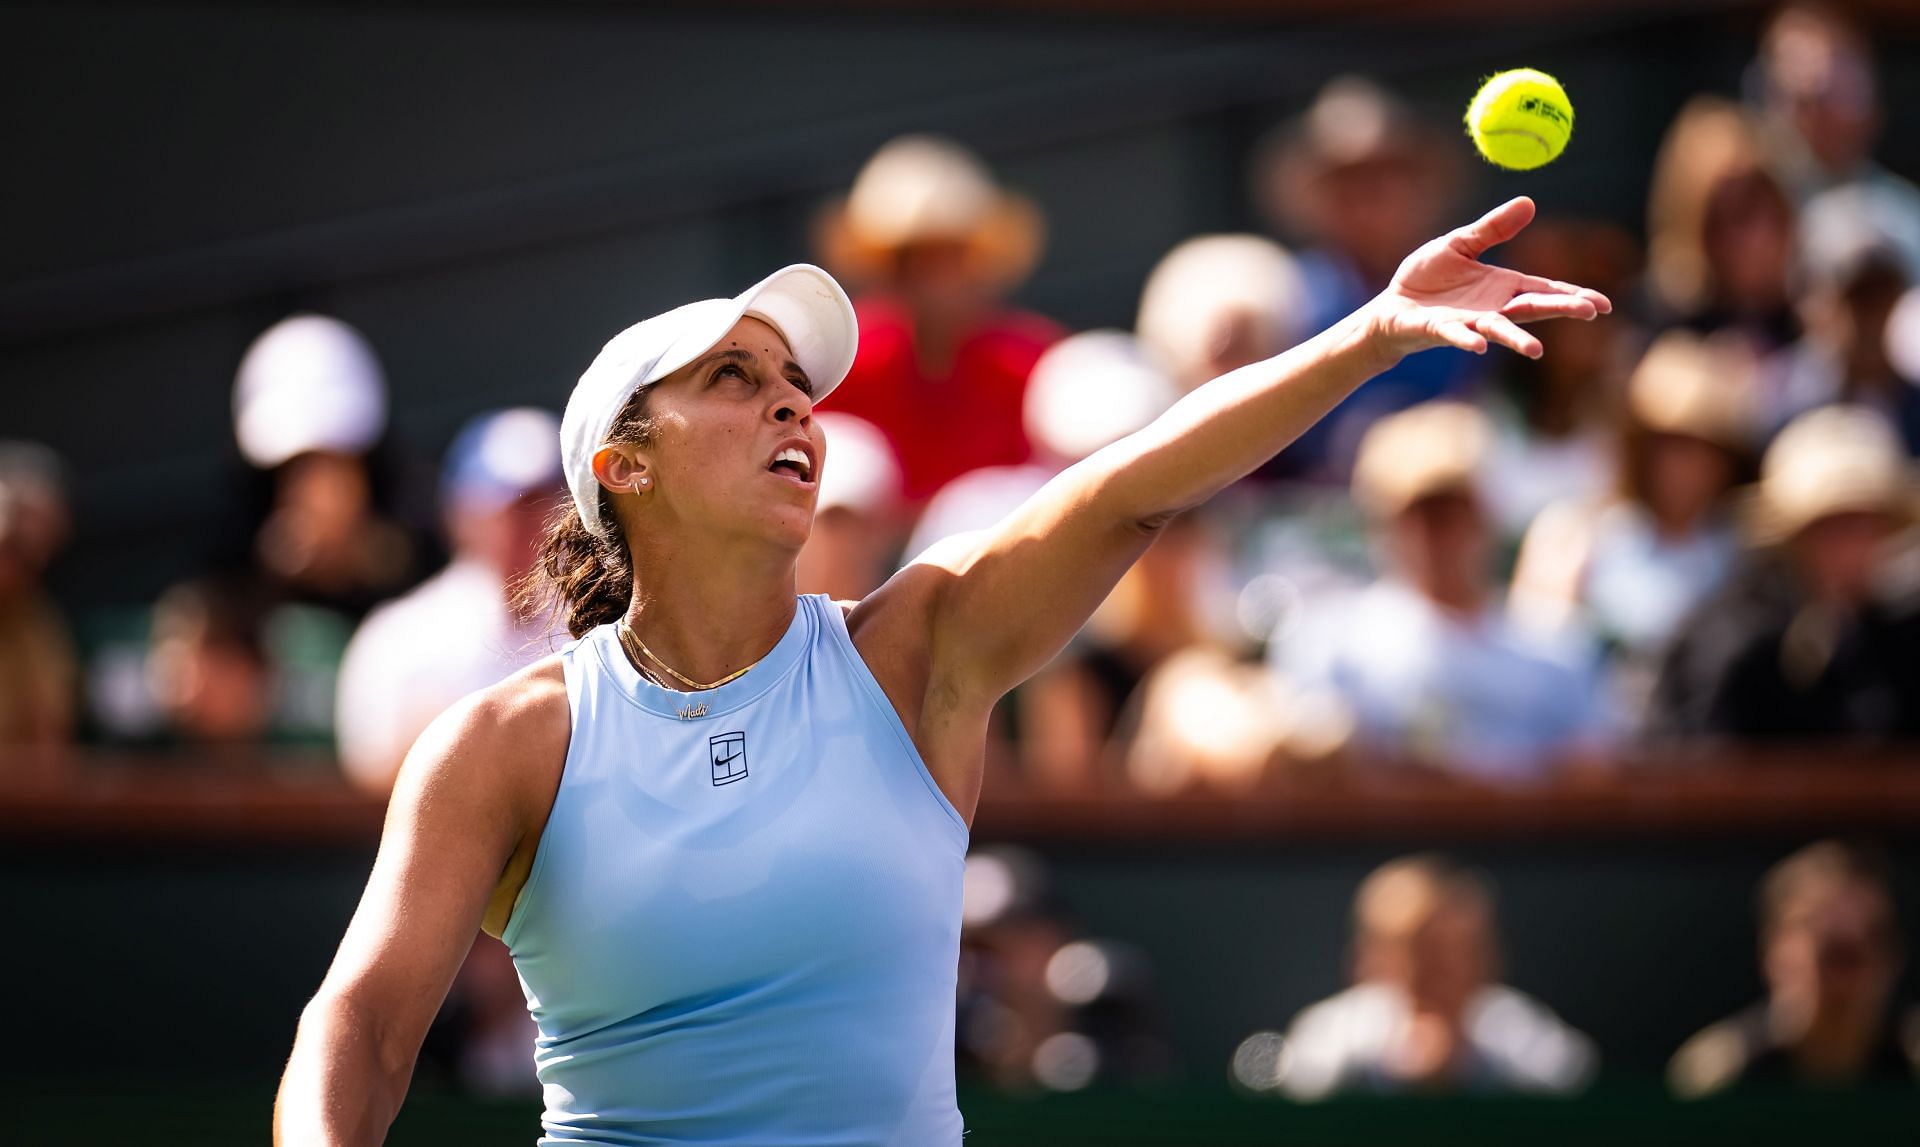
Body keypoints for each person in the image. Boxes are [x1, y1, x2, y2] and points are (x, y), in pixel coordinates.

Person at [275, 195, 1608, 1145]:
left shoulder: (913, 651)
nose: (792, 403)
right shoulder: (507, 744)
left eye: (795, 382)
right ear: (624, 465)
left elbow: (1127, 490)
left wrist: (1373, 331)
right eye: (734, 380)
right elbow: (363, 1027)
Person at [1271, 401, 1613, 783]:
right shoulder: (1332, 644)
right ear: (1383, 525)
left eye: (1452, 511)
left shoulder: (1557, 654)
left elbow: (1594, 777)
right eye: (1415, 514)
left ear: (1485, 517)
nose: (1435, 534)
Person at [1511, 330, 1759, 726]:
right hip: (1603, 755)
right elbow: (1535, 660)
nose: (1678, 464)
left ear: (1725, 457)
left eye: (1695, 446)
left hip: (1705, 752)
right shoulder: (1580, 538)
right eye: (1663, 444)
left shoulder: (1748, 553)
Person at [815, 134, 1065, 506]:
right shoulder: (843, 358)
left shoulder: (1029, 361)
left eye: (950, 258)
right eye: (915, 260)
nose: (935, 280)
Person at [1649, 404, 1920, 742]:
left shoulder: (1903, 640)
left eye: (1864, 525)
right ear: (1793, 540)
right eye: (1831, 528)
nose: (1851, 546)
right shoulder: (1731, 641)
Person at [333, 408, 569, 793]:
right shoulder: (396, 636)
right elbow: (372, 777)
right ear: (461, 515)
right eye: (506, 509)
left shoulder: (604, 626)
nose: (527, 524)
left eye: (541, 503)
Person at [1265, 854, 1596, 1099]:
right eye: (1418, 953)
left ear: (1488, 959)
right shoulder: (1331, 1037)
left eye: (1455, 953)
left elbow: (1575, 1087)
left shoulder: (1521, 1035)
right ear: (1368, 961)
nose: (1437, 973)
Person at [1670, 841, 1917, 1096]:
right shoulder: (1716, 1080)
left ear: (1895, 958)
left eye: (1871, 937)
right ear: (1774, 951)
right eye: (1828, 947)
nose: (1842, 980)